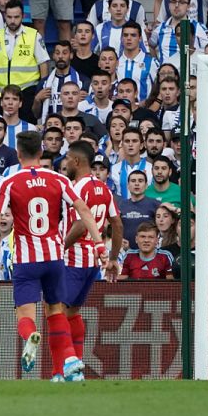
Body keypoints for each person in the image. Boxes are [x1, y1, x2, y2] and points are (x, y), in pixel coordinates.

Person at [0, 131, 107, 382]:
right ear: (41, 153)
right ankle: (67, 364)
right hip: (54, 256)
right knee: (56, 310)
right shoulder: (59, 180)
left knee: (25, 315)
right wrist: (98, 243)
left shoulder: (10, 181)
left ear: (18, 153)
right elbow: (82, 209)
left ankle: (31, 335)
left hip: (26, 259)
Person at [61, 141, 121, 378]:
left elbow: (78, 225)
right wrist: (113, 258)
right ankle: (75, 366)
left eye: (67, 158)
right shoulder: (103, 188)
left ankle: (68, 363)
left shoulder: (76, 188)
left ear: (76, 161)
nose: (64, 163)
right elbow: (117, 223)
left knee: (57, 313)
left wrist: (59, 247)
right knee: (73, 313)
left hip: (73, 259)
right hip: (92, 263)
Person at [0, 0, 49, 122]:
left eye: (16, 17)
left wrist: (41, 88)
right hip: (3, 93)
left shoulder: (33, 35)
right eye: (9, 17)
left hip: (27, 92)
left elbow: (43, 64)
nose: (13, 21)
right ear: (5, 16)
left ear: (23, 16)